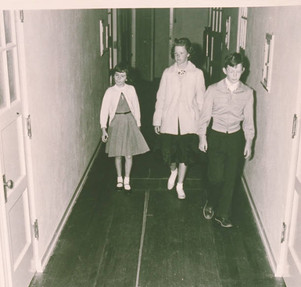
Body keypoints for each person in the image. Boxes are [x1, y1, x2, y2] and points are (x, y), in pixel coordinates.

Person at [198, 52, 255, 228]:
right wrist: (202, 137)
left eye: (238, 69)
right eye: (232, 69)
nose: (235, 73)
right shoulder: (213, 89)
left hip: (236, 139)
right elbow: (204, 117)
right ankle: (211, 201)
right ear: (225, 70)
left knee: (231, 178)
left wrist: (248, 143)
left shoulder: (248, 93)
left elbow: (249, 121)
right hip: (216, 135)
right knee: (216, 178)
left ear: (243, 70)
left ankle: (223, 214)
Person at [153, 37, 206, 199]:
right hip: (169, 120)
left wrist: (202, 124)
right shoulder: (167, 73)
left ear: (188, 53)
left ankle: (180, 184)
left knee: (185, 154)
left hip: (189, 121)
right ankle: (173, 171)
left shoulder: (197, 74)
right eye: (176, 53)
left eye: (181, 53)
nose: (178, 56)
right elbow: (160, 97)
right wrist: (157, 119)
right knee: (168, 154)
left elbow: (201, 99)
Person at [100, 63, 149, 191]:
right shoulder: (110, 91)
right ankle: (119, 178)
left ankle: (127, 179)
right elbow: (104, 110)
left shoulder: (131, 89)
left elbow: (136, 107)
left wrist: (138, 124)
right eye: (116, 75)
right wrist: (103, 128)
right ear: (113, 76)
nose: (119, 78)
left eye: (122, 76)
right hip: (116, 122)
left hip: (129, 122)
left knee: (128, 154)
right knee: (118, 153)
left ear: (126, 77)